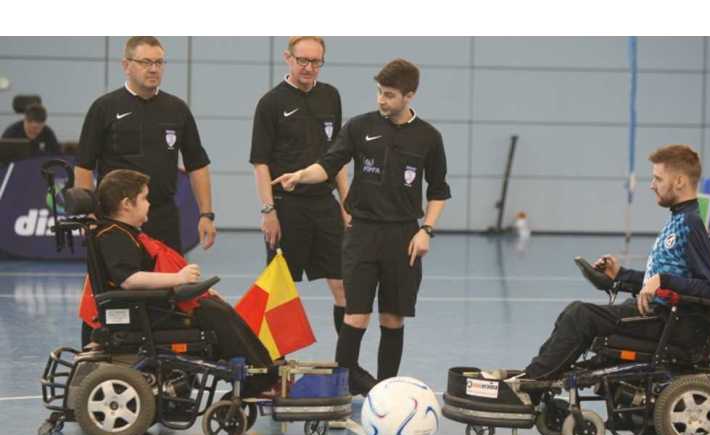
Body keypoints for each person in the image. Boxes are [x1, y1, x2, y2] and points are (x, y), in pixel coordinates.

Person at [273, 59, 452, 395]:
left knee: (392, 319)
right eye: (379, 93)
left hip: (403, 236)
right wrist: (300, 175)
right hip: (362, 234)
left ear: (409, 95)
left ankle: (386, 392)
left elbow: (439, 191)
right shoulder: (359, 127)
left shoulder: (429, 137)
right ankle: (342, 387)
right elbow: (327, 166)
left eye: (389, 95)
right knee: (356, 316)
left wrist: (425, 230)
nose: (381, 100)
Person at [518, 145, 710, 387]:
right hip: (658, 316)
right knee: (574, 315)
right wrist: (620, 275)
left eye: (657, 178)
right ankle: (536, 375)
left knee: (579, 315)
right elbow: (662, 280)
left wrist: (663, 280)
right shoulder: (678, 219)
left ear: (678, 181)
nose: (651, 185)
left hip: (671, 325)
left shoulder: (691, 224)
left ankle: (531, 384)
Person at [87, 169, 276, 394]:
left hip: (146, 308)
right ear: (127, 204)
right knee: (215, 314)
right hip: (141, 314)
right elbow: (129, 280)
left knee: (216, 307)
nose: (149, 204)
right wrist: (179, 279)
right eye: (144, 198)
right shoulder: (113, 235)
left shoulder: (123, 232)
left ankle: (263, 370)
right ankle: (262, 376)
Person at [74, 36, 216, 254]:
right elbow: (84, 165)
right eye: (145, 62)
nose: (153, 69)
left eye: (159, 63)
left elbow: (197, 165)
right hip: (116, 218)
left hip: (163, 216)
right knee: (122, 285)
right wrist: (89, 214)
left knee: (170, 284)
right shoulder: (104, 108)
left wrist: (206, 214)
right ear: (126, 65)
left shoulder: (177, 109)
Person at [250, 36, 349, 340]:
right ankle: (273, 367)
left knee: (344, 284)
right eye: (302, 60)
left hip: (324, 204)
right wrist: (268, 211)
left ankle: (347, 363)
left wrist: (347, 205)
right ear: (288, 58)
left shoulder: (331, 97)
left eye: (315, 61)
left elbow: (338, 157)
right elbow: (260, 164)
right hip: (286, 206)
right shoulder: (271, 103)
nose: (308, 67)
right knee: (280, 289)